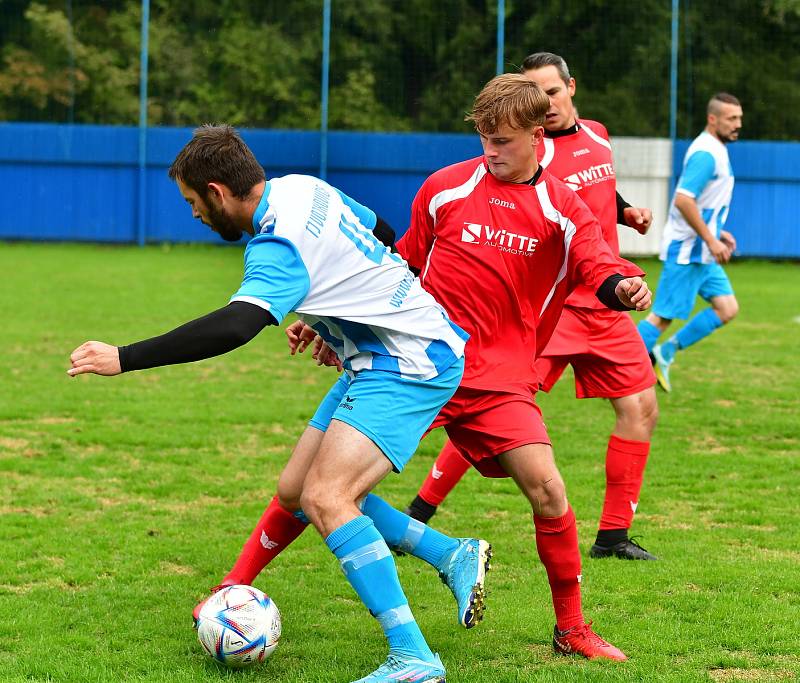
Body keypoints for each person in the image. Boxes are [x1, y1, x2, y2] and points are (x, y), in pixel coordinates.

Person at [196, 75, 653, 663]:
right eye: (484, 138)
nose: (490, 151)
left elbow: (596, 263)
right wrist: (329, 320)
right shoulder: (446, 188)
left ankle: (572, 629)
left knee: (548, 493)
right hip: (413, 360)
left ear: (538, 136)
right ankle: (233, 587)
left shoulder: (560, 206)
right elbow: (400, 259)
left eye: (504, 141)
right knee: (311, 487)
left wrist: (624, 288)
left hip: (497, 377)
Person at [67, 124, 487, 683]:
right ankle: (449, 553)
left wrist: (125, 357)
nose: (193, 214)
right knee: (296, 493)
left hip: (410, 364)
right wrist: (333, 315)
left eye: (194, 202)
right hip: (382, 353)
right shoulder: (302, 189)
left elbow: (238, 325)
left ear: (217, 193)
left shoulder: (276, 245)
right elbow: (380, 233)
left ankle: (413, 656)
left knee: (327, 496)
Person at [405, 52, 660, 562]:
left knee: (641, 407)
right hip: (552, 308)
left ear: (571, 87)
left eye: (551, 92)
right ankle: (421, 510)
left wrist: (626, 211)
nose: (544, 104)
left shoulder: (597, 135)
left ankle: (613, 536)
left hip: (607, 301)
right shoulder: (523, 159)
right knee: (492, 404)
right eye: (534, 95)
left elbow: (598, 195)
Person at [637, 93, 742, 392]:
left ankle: (664, 354)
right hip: (690, 252)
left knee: (727, 307)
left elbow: (704, 201)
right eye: (731, 119)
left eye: (739, 118)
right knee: (661, 317)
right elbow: (684, 199)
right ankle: (624, 371)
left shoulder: (716, 149)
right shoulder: (706, 153)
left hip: (702, 251)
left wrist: (717, 232)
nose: (737, 124)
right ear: (713, 119)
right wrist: (711, 239)